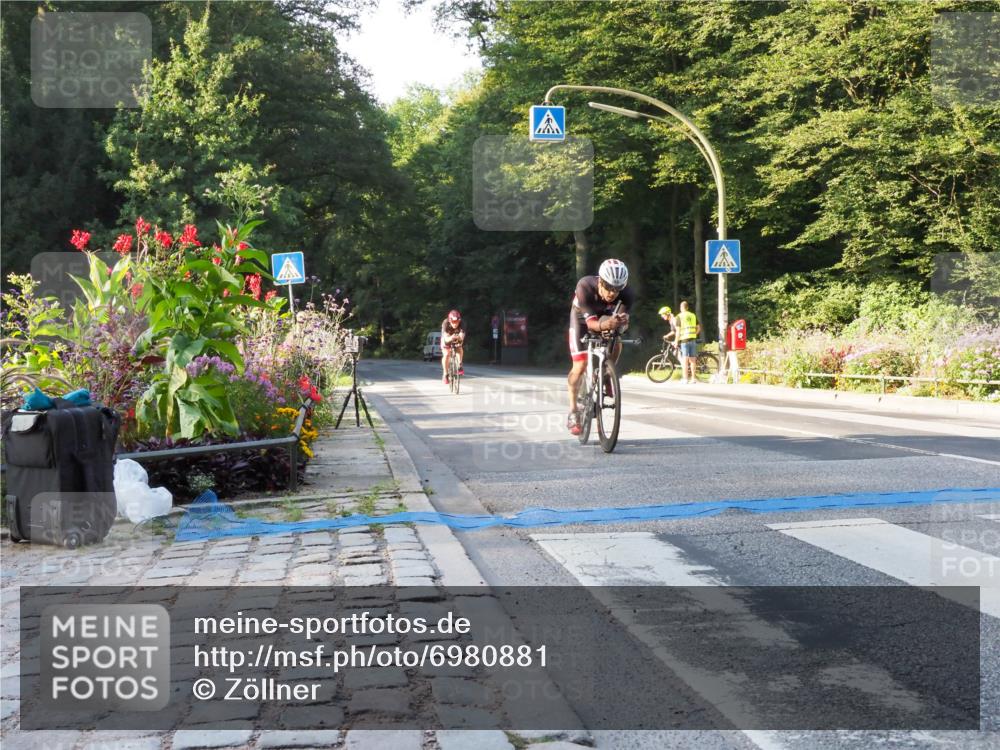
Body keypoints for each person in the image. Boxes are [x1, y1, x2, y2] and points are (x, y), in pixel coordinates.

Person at [566, 258, 633, 435]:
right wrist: (606, 325)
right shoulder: (585, 286)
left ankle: (606, 374)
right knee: (580, 365)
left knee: (617, 340)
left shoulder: (627, 293)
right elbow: (591, 324)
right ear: (600, 282)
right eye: (609, 287)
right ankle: (573, 410)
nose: (612, 293)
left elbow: (622, 322)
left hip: (605, 317)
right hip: (582, 319)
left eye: (617, 289)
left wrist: (621, 324)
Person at [676, 300, 701, 384]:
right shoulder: (693, 315)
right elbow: (699, 328)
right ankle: (693, 379)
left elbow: (678, 331)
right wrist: (694, 334)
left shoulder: (679, 316)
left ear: (681, 307)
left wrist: (676, 341)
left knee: (685, 360)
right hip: (693, 339)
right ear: (687, 307)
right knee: (693, 360)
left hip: (684, 340)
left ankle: (685, 379)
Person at [441, 309, 465, 384]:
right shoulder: (445, 323)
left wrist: (459, 338)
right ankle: (445, 374)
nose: (455, 324)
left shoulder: (462, 323)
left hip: (457, 336)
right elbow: (446, 339)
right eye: (453, 322)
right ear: (450, 321)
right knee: (446, 354)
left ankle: (460, 365)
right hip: (447, 338)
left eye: (457, 322)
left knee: (459, 347)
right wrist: (451, 338)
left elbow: (462, 336)